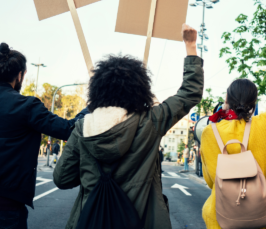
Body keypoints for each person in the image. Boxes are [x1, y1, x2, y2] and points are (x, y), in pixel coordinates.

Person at [53, 24, 204, 229]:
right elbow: (190, 92)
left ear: (98, 91)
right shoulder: (151, 121)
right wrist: (190, 45)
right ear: (140, 90)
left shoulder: (82, 128)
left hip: (91, 220)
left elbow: (62, 179)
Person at [200, 28, 266, 229]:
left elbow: (210, 181)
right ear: (254, 103)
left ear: (226, 100)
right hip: (261, 218)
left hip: (220, 220)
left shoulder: (210, 132)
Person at [0, 43, 89, 229]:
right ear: (21, 75)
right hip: (6, 204)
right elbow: (68, 129)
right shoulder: (25, 106)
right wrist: (92, 107)